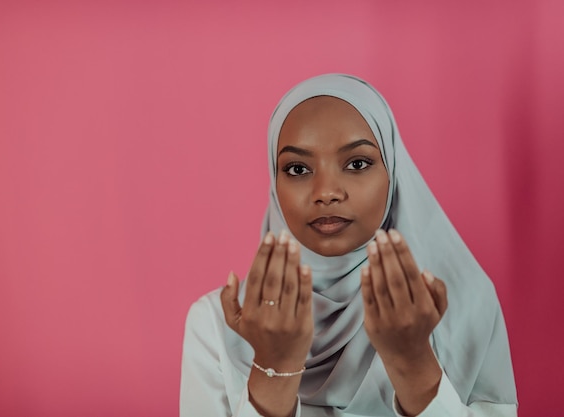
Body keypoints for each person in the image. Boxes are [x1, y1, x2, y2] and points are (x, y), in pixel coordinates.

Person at [180, 74, 517, 417]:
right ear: (274, 183)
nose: (326, 192)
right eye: (297, 169)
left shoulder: (462, 307)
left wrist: (415, 365)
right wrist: (274, 366)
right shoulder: (220, 324)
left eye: (357, 163)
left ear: (393, 173)